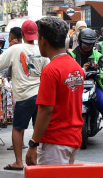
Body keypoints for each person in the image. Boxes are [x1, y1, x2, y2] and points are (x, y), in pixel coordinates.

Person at [0, 20, 47, 170]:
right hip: (40, 95)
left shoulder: (15, 49)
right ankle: (36, 160)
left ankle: (19, 162)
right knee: (38, 129)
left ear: (22, 33)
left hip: (23, 96)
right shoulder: (41, 50)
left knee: (17, 128)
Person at [26, 17, 84, 166]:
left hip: (55, 142)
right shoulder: (76, 67)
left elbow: (46, 111)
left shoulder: (51, 71)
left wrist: (33, 143)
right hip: (74, 139)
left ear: (43, 41)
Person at [69, 28, 103, 144]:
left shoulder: (98, 55)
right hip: (75, 87)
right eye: (85, 43)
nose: (87, 46)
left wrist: (99, 68)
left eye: (90, 44)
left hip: (93, 86)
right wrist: (83, 69)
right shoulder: (71, 55)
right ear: (80, 42)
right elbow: (68, 73)